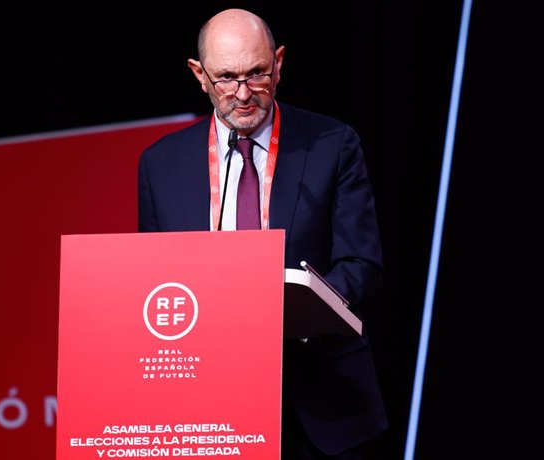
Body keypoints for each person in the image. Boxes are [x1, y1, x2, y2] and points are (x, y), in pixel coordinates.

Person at [137, 8, 387, 460]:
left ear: (279, 62)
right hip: (208, 407)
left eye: (257, 74)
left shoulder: (333, 144)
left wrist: (304, 305)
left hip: (319, 401)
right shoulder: (161, 165)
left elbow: (362, 265)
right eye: (227, 78)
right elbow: (155, 284)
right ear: (200, 75)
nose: (244, 94)